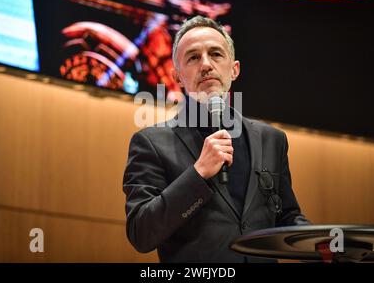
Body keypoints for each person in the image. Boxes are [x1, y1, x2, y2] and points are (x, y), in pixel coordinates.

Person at [123, 16, 309, 262]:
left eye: (216, 54)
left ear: (234, 70)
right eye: (193, 57)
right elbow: (142, 233)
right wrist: (198, 174)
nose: (206, 65)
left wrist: (320, 243)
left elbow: (286, 216)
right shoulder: (151, 143)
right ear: (178, 77)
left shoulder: (271, 140)